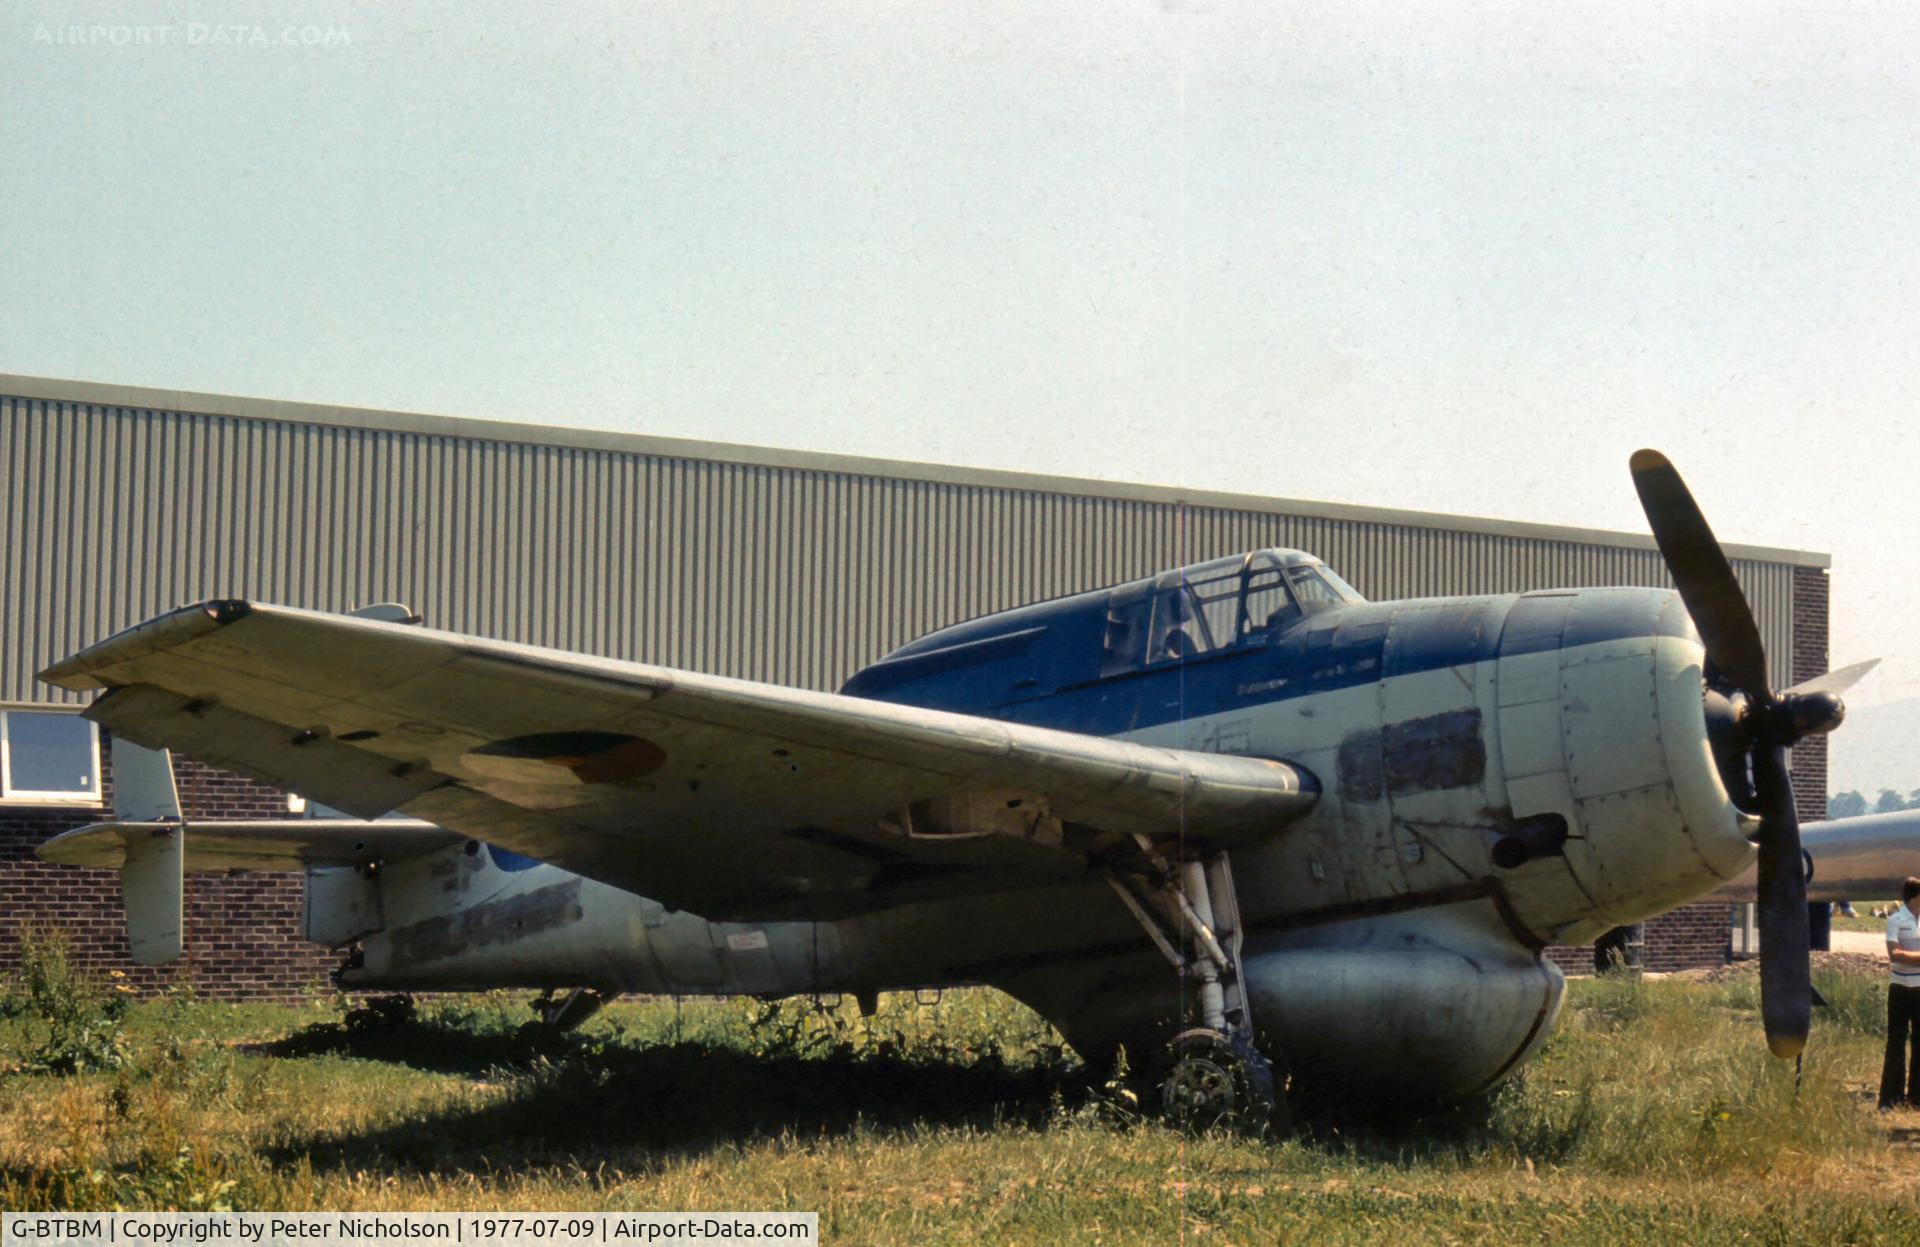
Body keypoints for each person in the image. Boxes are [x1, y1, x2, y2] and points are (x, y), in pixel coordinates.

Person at [1880, 877, 1920, 1110]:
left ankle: (1916, 1096)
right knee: (1896, 1040)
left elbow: (1902, 954)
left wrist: (1909, 957)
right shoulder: (1896, 919)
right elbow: (1894, 954)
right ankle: (1890, 1097)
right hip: (1900, 987)